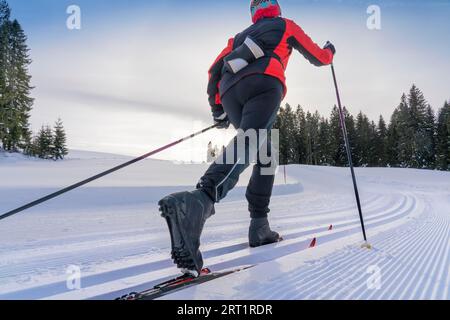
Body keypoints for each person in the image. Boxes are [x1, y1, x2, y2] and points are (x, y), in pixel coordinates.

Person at [158, 0, 335, 276]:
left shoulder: (238, 38)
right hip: (265, 83)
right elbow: (319, 57)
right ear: (275, 7)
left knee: (266, 153)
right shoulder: (286, 25)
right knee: (252, 141)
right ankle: (200, 200)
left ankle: (259, 226)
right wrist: (330, 52)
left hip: (231, 93)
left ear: (254, 13)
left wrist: (218, 110)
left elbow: (213, 71)